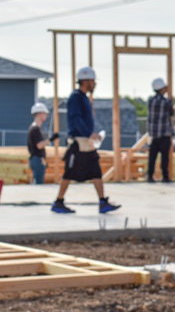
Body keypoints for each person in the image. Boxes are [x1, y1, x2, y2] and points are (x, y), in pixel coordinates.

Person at [51, 67, 120, 214]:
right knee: (69, 173)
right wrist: (89, 133)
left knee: (96, 171)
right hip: (78, 143)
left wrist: (92, 134)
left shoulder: (84, 98)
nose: (95, 84)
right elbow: (76, 119)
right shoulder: (76, 97)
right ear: (86, 81)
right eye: (93, 81)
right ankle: (58, 202)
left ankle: (103, 202)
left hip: (87, 143)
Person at [147, 77, 174, 183]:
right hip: (164, 134)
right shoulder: (167, 102)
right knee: (164, 157)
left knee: (152, 157)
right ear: (162, 89)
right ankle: (165, 177)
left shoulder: (150, 101)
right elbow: (171, 112)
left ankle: (150, 176)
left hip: (153, 134)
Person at [27, 102, 59, 184]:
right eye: (44, 113)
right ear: (39, 114)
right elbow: (39, 145)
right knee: (38, 185)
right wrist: (51, 139)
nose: (46, 115)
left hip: (36, 159)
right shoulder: (35, 129)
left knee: (37, 183)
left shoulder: (34, 128)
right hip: (37, 159)